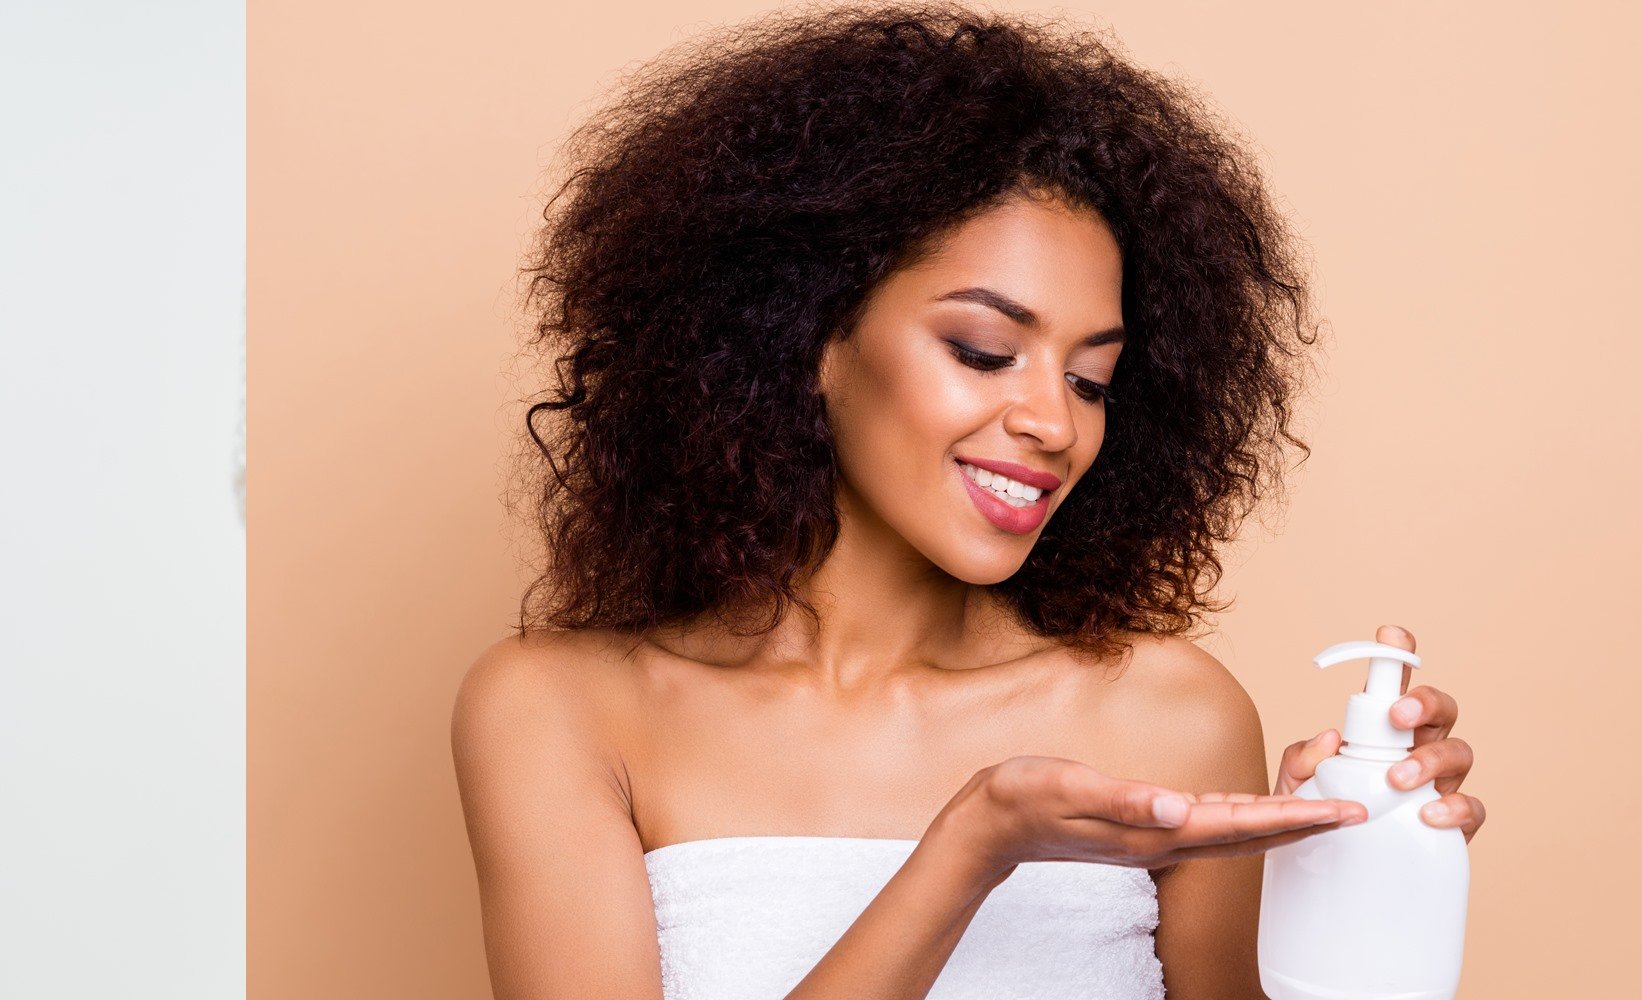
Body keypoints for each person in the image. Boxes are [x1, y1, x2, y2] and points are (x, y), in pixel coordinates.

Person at [451, 3, 1486, 998]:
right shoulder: (567, 712)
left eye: (1091, 380)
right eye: (985, 352)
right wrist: (974, 848)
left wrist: (1336, 881)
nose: (1053, 421)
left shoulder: (1172, 715)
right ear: (804, 338)